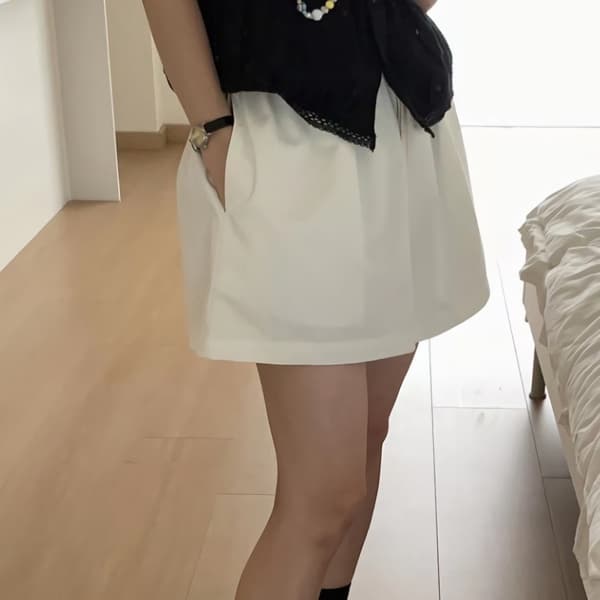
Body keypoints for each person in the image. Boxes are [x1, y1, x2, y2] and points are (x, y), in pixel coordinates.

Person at [141, 1, 490, 598]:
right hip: (278, 134)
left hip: (399, 117)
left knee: (364, 442)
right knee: (322, 494)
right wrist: (212, 130)